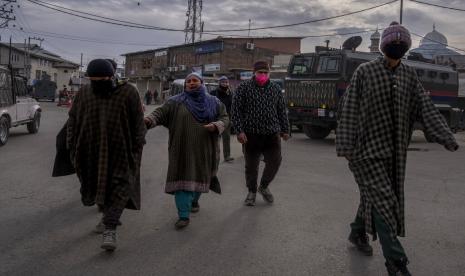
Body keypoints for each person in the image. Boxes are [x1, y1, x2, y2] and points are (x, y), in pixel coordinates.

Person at [336, 22, 459, 276]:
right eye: (392, 41)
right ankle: (396, 261)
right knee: (385, 202)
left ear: (406, 47)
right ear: (383, 46)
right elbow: (348, 109)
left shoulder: (408, 75)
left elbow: (425, 107)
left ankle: (357, 233)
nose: (397, 45)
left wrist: (446, 136)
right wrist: (346, 146)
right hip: (365, 151)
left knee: (374, 196)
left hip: (394, 153)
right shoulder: (365, 72)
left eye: (401, 42)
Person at [67, 59, 146, 251]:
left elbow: (138, 123)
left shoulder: (128, 91)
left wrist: (136, 148)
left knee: (120, 186)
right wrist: (72, 145)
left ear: (111, 77)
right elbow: (73, 118)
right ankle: (107, 216)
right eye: (93, 80)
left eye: (101, 80)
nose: (97, 84)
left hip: (121, 151)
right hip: (90, 151)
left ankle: (110, 229)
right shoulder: (85, 92)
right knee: (97, 186)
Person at [144, 73, 229, 229]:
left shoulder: (214, 102)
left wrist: (217, 125)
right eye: (188, 81)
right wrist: (149, 119)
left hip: (205, 150)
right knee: (182, 182)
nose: (191, 83)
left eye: (195, 80)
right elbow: (160, 113)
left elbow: (225, 118)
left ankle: (195, 200)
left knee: (201, 177)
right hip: (181, 149)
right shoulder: (175, 102)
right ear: (185, 85)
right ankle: (183, 215)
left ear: (201, 83)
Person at [231, 61, 290, 206]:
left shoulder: (275, 89)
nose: (263, 75)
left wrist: (285, 129)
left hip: (272, 134)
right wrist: (239, 130)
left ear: (269, 73)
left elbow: (282, 110)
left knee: (275, 161)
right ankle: (251, 192)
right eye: (260, 72)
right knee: (251, 166)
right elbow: (236, 110)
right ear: (254, 73)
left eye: (265, 72)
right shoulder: (243, 88)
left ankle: (263, 186)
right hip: (251, 135)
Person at [210, 76, 234, 162]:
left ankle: (227, 156)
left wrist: (232, 118)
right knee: (215, 139)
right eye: (223, 82)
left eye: (226, 82)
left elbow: (233, 106)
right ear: (219, 83)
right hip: (216, 119)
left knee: (226, 138)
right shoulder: (213, 93)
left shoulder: (231, 93)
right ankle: (213, 156)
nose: (225, 84)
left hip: (227, 119)